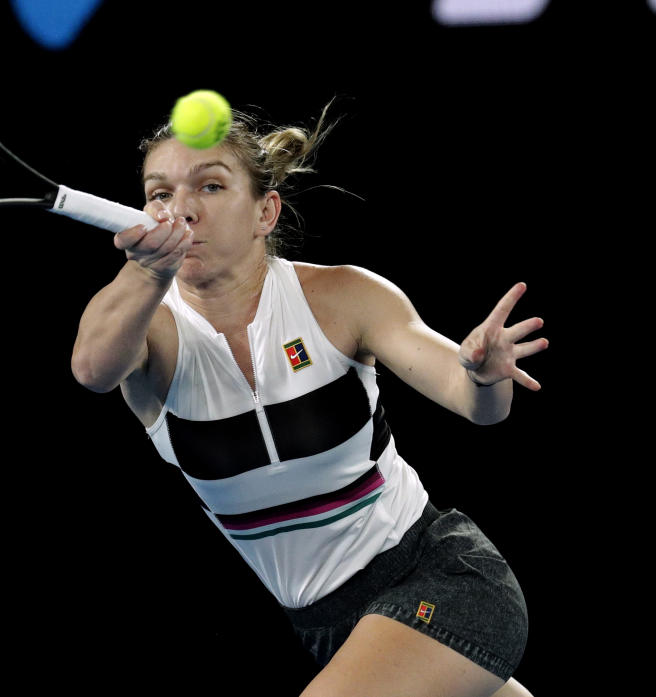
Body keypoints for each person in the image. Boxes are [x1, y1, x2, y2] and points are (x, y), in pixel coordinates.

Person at [71, 104, 547, 697]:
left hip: (441, 579)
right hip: (332, 627)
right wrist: (145, 275)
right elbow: (92, 369)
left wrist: (483, 376)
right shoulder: (148, 332)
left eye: (211, 185)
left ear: (264, 213)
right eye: (159, 193)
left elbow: (477, 402)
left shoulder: (343, 296)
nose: (182, 207)